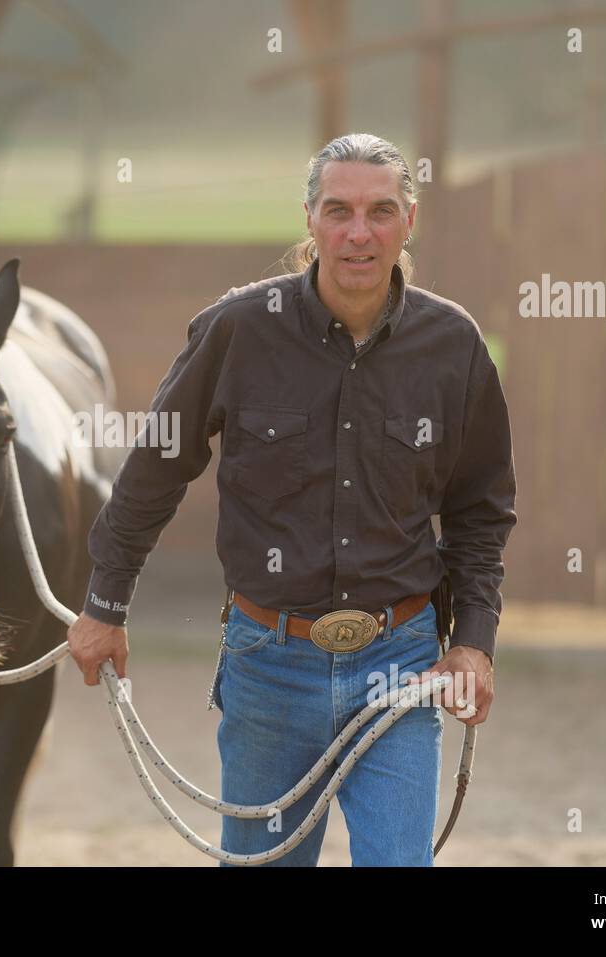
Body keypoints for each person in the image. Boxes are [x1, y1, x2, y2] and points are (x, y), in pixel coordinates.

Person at [66, 132, 517, 866]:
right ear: (309, 219)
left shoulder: (454, 345)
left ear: (410, 221)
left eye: (379, 211)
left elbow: (481, 508)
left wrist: (472, 640)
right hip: (268, 665)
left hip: (401, 666)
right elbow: (154, 469)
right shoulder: (237, 330)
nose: (358, 232)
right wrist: (105, 603)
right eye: (338, 210)